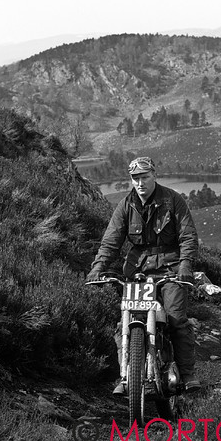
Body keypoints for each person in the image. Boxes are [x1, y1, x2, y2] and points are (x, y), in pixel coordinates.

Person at [87, 156, 201, 394]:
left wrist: (185, 267)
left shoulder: (173, 200)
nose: (139, 183)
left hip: (171, 269)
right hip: (138, 272)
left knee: (176, 319)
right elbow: (111, 242)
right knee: (125, 321)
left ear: (154, 176)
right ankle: (126, 375)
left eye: (144, 177)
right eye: (135, 178)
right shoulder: (126, 205)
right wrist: (97, 268)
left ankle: (187, 374)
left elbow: (188, 237)